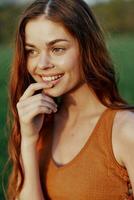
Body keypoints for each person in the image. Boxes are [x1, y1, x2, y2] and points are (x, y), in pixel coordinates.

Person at [7, 0, 134, 199]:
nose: (42, 64)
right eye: (32, 51)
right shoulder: (39, 125)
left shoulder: (125, 131)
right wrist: (29, 140)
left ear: (87, 47)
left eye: (57, 49)